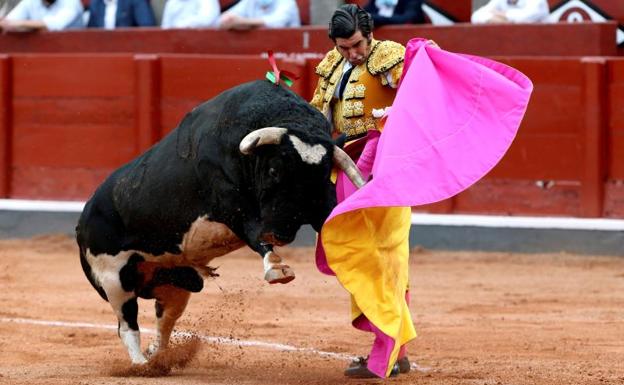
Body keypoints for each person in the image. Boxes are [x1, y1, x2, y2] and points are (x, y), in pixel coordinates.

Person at [310, 4, 415, 379]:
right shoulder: (332, 65)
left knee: (377, 260)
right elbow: (317, 114)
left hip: (382, 167)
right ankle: (396, 351)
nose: (352, 53)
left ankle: (385, 353)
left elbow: (418, 102)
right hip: (344, 166)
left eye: (356, 44)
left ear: (369, 35)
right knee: (370, 259)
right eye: (343, 47)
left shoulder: (390, 59)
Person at [0, 0, 84, 32]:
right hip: (37, 52)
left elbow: (54, 25)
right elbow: (6, 24)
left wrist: (18, 24)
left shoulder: (72, 2)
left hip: (69, 52)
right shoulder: (30, 2)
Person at [218, 0, 300, 29]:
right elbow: (223, 19)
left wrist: (243, 22)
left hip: (284, 51)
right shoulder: (250, 2)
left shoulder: (288, 2)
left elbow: (276, 22)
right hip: (255, 50)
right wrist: (230, 21)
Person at [87, 0, 156, 28]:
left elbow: (147, 27)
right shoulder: (95, 4)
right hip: (102, 52)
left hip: (129, 51)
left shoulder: (135, 1)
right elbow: (90, 33)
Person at [471, 0, 549, 24]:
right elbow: (476, 16)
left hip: (537, 43)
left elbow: (524, 19)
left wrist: (500, 14)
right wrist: (490, 18)